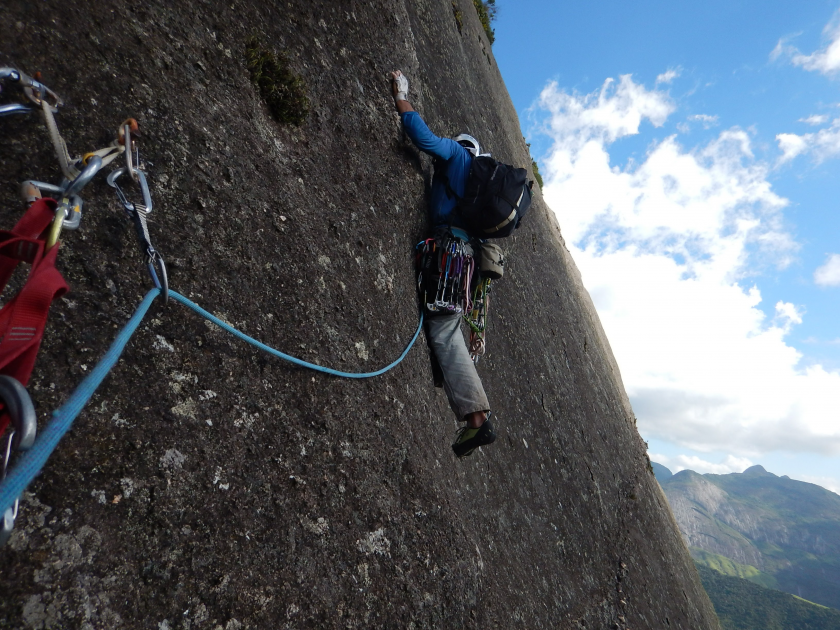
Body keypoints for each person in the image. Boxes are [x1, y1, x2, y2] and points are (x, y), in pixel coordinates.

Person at [390, 69, 496, 458]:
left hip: (447, 257)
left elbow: (423, 137)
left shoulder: (456, 155)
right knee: (447, 330)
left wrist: (403, 96)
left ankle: (476, 419)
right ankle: (468, 408)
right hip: (463, 265)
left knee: (443, 333)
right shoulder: (479, 191)